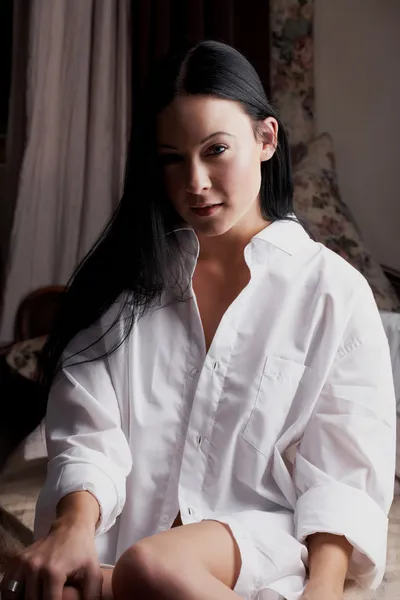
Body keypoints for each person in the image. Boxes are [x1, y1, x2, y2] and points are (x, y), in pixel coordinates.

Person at [0, 40, 396, 600]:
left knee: (151, 568)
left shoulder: (332, 292)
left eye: (215, 150)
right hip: (129, 547)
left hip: (260, 550)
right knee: (47, 585)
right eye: (171, 158)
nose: (195, 182)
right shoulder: (129, 287)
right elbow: (88, 433)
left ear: (266, 139)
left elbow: (343, 473)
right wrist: (73, 526)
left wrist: (322, 593)